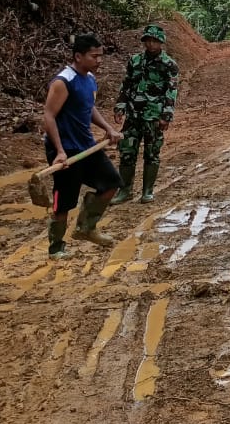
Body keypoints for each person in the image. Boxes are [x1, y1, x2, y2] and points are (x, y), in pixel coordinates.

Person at [42, 34, 123, 257]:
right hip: (66, 151)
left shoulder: (89, 79)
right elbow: (49, 116)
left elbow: (88, 108)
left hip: (86, 147)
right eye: (94, 56)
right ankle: (56, 247)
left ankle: (86, 228)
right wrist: (59, 151)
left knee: (111, 183)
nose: (99, 61)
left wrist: (108, 128)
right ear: (78, 56)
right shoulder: (63, 81)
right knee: (64, 201)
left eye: (100, 56)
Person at [111, 24, 180, 205]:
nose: (150, 44)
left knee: (152, 152)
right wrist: (120, 106)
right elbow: (126, 85)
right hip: (133, 115)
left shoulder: (169, 65)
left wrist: (166, 115)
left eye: (154, 41)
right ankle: (124, 190)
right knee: (127, 151)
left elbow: (171, 92)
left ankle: (147, 191)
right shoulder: (135, 61)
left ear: (161, 43)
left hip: (154, 116)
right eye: (148, 40)